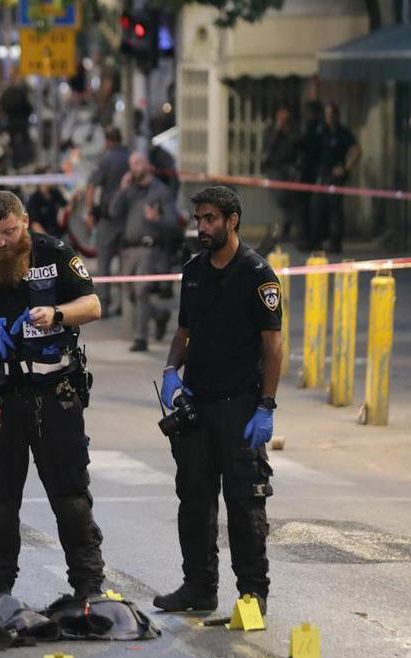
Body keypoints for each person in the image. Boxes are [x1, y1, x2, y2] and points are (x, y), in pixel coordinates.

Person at [0, 190, 106, 605]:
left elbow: (93, 304)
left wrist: (57, 314)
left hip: (54, 397)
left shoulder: (54, 253)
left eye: (10, 232)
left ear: (25, 222)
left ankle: (88, 587)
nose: (2, 242)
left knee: (70, 496)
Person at [153, 186, 281, 618]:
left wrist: (267, 405)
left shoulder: (257, 274)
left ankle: (252, 596)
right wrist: (172, 371)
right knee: (193, 500)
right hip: (198, 406)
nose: (202, 226)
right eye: (199, 219)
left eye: (210, 219)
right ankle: (199, 587)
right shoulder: (193, 271)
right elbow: (184, 332)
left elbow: (273, 346)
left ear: (232, 221)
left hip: (240, 405)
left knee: (245, 504)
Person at [110, 152, 180, 352]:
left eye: (138, 163)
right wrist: (122, 190)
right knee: (130, 292)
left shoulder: (161, 191)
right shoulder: (129, 190)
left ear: (148, 165)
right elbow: (113, 213)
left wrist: (157, 218)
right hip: (129, 249)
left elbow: (173, 224)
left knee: (141, 290)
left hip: (150, 249)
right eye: (132, 164)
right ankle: (158, 315)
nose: (135, 167)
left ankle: (141, 338)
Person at [84, 126, 130, 316]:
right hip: (127, 219)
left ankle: (103, 303)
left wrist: (88, 212)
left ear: (108, 141)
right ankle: (124, 304)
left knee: (104, 262)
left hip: (108, 220)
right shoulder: (130, 157)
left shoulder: (105, 159)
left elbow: (92, 187)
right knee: (124, 263)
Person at [313, 103, 361, 253]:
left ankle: (335, 242)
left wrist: (345, 168)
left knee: (335, 209)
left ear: (336, 116)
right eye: (327, 115)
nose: (329, 118)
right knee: (318, 207)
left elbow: (357, 150)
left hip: (334, 177)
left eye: (331, 115)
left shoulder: (342, 133)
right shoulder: (321, 131)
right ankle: (318, 241)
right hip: (321, 175)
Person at [261, 105, 300, 246]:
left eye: (286, 120)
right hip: (275, 170)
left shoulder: (293, 133)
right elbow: (268, 150)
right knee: (281, 198)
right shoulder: (271, 132)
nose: (283, 122)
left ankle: (286, 231)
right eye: (281, 119)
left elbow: (296, 149)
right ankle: (278, 230)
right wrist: (277, 132)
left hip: (289, 171)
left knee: (290, 202)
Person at [297, 101, 324, 251]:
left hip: (314, 173)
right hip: (307, 173)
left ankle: (313, 240)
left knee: (313, 209)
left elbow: (307, 145)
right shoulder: (310, 126)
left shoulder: (318, 129)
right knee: (306, 209)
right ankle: (308, 240)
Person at [0, 68, 34, 169]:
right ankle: (19, 163)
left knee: (23, 142)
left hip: (20, 121)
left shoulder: (23, 88)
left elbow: (29, 105)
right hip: (15, 121)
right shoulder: (9, 88)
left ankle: (23, 162)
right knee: (15, 143)